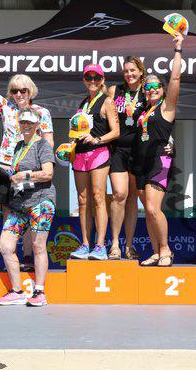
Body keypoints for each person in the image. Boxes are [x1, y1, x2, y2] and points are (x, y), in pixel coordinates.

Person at [0, 43, 54, 273]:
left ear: (31, 91)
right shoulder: (6, 108)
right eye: (14, 91)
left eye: (23, 90)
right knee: (9, 213)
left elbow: (49, 142)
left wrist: (40, 165)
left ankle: (28, 257)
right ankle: (10, 260)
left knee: (30, 211)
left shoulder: (42, 113)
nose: (19, 94)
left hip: (29, 169)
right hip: (5, 167)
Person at [0, 108, 56, 306]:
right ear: (19, 124)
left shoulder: (43, 145)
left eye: (30, 122)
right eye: (23, 122)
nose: (26, 125)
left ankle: (40, 292)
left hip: (41, 200)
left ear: (37, 125)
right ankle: (17, 291)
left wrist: (25, 175)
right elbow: (15, 172)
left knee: (38, 246)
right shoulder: (19, 146)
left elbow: (48, 174)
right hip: (20, 202)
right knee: (5, 245)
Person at [135, 33, 184, 267]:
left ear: (163, 90)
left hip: (160, 161)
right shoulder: (143, 111)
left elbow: (175, 78)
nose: (152, 90)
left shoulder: (166, 107)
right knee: (148, 211)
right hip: (141, 164)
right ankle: (155, 251)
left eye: (156, 86)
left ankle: (166, 250)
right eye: (148, 87)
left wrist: (178, 49)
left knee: (154, 208)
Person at [69, 64, 120, 260]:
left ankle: (100, 246)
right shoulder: (83, 103)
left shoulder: (107, 101)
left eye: (96, 78)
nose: (92, 81)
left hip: (99, 152)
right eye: (88, 78)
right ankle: (85, 244)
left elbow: (116, 132)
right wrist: (70, 144)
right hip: (80, 154)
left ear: (102, 80)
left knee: (98, 197)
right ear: (84, 80)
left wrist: (97, 139)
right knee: (82, 200)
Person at [107, 57, 148, 260]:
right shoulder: (115, 90)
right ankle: (115, 244)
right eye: (126, 71)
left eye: (133, 70)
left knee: (132, 199)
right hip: (118, 149)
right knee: (119, 194)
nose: (129, 74)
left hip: (139, 150)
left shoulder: (147, 92)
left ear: (141, 71)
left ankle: (129, 246)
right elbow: (105, 116)